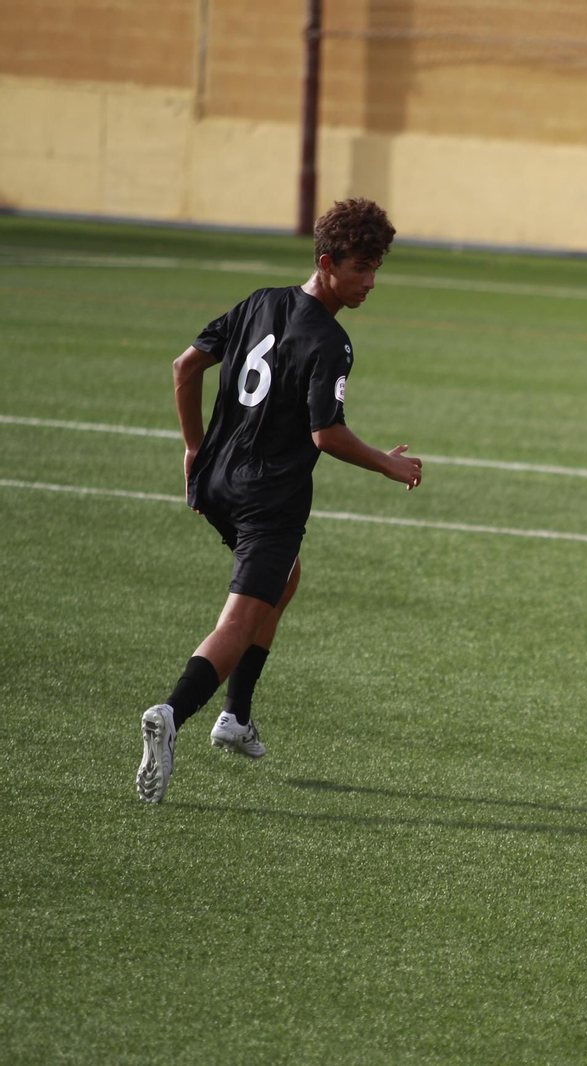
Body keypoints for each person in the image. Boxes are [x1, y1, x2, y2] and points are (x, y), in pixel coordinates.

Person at [135, 198, 423, 804]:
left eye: (377, 269)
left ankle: (236, 716)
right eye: (361, 269)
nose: (371, 282)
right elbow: (327, 435)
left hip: (216, 482)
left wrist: (194, 449)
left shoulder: (258, 302)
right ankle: (171, 713)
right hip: (269, 500)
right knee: (239, 618)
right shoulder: (331, 341)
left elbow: (185, 367)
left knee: (284, 580)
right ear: (326, 262)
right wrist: (390, 464)